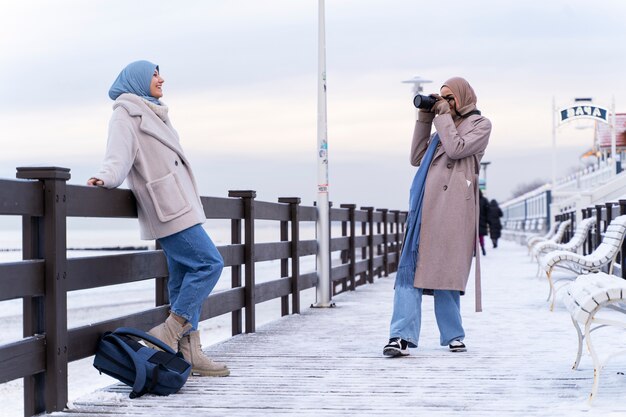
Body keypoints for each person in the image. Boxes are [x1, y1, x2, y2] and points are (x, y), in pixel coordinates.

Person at [88, 60, 230, 377]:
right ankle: (169, 331)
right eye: (154, 74)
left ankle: (191, 353)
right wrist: (105, 177)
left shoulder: (155, 112)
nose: (161, 78)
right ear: (138, 79)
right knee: (209, 263)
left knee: (182, 279)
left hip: (181, 205)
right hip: (166, 207)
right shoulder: (126, 114)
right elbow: (117, 156)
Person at [383, 77, 491, 357]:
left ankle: (453, 334)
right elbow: (416, 157)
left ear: (464, 98)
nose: (445, 103)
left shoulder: (480, 125)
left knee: (447, 267)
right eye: (442, 97)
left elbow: (456, 149)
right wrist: (423, 118)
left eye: (450, 97)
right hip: (424, 207)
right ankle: (400, 337)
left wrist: (442, 115)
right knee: (411, 268)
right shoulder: (440, 129)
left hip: (454, 207)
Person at [478, 190, 490, 256]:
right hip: (482, 221)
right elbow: (488, 211)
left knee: (473, 237)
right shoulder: (484, 200)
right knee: (481, 236)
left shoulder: (471, 199)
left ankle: (474, 250)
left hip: (473, 221)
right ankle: (482, 247)